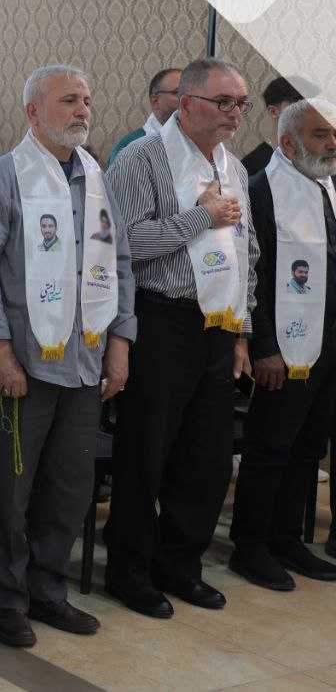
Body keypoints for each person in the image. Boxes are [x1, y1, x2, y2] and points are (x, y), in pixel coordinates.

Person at [0, 64, 136, 647]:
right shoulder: (0, 180)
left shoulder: (98, 178)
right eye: (68, 100)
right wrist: (0, 354)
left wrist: (120, 342)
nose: (82, 110)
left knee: (68, 490)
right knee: (10, 493)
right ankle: (7, 600)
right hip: (21, 366)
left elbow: (120, 265)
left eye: (86, 99)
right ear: (34, 112)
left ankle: (49, 592)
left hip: (85, 365)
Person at [104, 57, 258, 619]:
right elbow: (123, 245)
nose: (235, 113)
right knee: (147, 454)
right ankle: (130, 571)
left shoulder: (233, 166)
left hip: (218, 327)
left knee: (206, 458)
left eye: (241, 103)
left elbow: (246, 251)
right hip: (161, 321)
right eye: (224, 102)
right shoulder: (141, 159)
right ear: (187, 103)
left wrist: (241, 329)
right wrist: (200, 218)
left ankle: (180, 565)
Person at [229, 99, 336, 588]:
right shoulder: (260, 190)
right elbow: (253, 274)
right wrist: (265, 346)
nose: (331, 144)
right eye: (320, 135)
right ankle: (251, 547)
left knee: (308, 448)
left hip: (328, 344)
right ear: (289, 143)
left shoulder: (327, 186)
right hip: (283, 346)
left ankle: (288, 540)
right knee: (270, 447)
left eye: (333, 134)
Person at [107, 68, 181, 166]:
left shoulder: (194, 143)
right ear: (155, 101)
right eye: (178, 93)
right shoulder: (127, 149)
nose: (186, 100)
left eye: (190, 94)